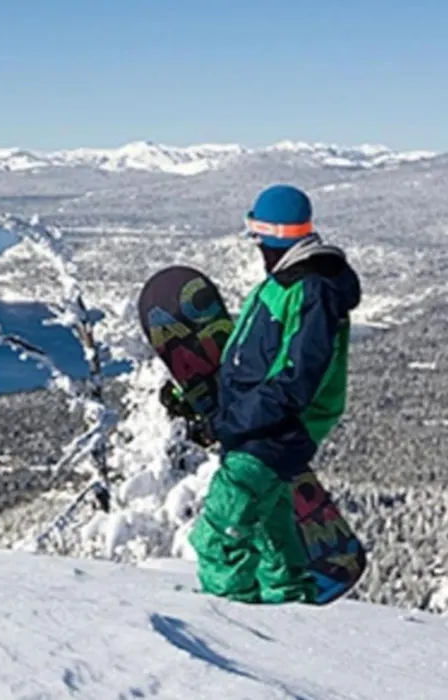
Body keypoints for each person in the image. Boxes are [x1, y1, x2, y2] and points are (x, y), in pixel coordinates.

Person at [162, 183, 361, 604]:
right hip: (259, 426)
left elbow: (295, 380)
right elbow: (249, 362)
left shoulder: (312, 291)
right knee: (272, 534)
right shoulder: (282, 284)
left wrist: (228, 422)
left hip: (275, 431)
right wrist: (201, 403)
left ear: (271, 233)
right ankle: (288, 609)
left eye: (257, 235)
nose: (255, 245)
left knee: (218, 535)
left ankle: (224, 620)